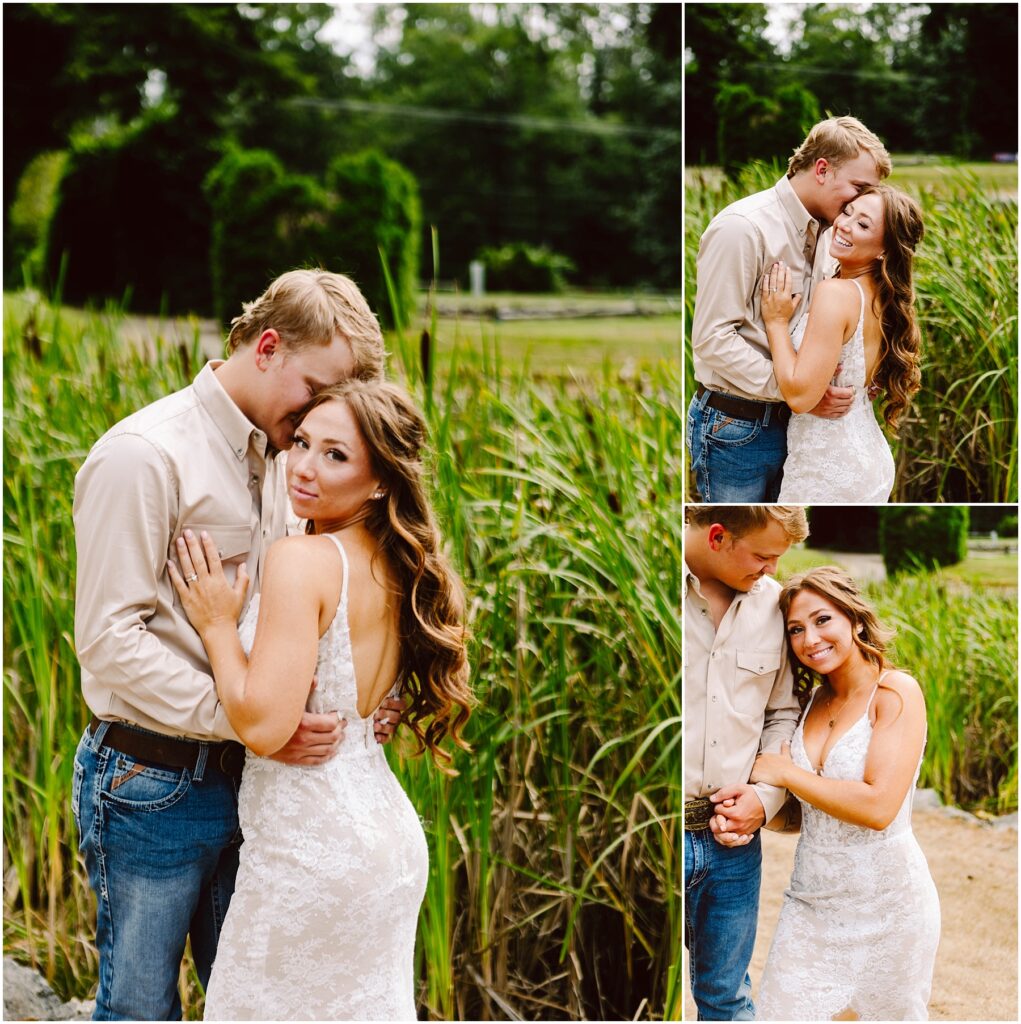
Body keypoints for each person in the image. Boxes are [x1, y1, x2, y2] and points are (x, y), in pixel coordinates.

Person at [71, 269, 405, 1021]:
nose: (322, 414)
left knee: (250, 998)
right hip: (151, 781)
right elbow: (107, 641)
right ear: (266, 347)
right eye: (316, 387)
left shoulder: (292, 456)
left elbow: (314, 614)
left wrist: (362, 700)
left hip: (261, 788)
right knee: (139, 1007)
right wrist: (259, 719)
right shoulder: (144, 457)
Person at [168, 379, 473, 1020]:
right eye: (302, 442)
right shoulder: (402, 565)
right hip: (385, 839)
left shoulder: (301, 559)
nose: (303, 466)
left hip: (311, 849)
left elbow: (262, 724)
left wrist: (217, 624)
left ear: (382, 480)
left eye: (336, 456)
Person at [748, 567, 940, 1020]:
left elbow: (878, 807)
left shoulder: (894, 692)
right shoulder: (810, 701)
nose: (810, 638)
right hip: (810, 904)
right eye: (796, 629)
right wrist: (760, 806)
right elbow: (808, 814)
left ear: (853, 619)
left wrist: (786, 773)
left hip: (889, 905)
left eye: (822, 620)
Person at [688, 116, 891, 501]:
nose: (861, 202)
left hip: (794, 428)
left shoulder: (831, 233)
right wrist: (800, 392)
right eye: (859, 187)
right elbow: (712, 340)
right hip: (736, 427)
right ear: (822, 170)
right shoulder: (742, 228)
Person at [683, 505, 807, 1019]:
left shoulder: (775, 607)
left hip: (733, 846)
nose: (773, 569)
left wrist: (765, 798)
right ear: (717, 536)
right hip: (653, 833)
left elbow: (783, 714)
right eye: (763, 556)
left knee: (728, 998)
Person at [760, 184, 924, 502]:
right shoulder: (884, 298)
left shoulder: (836, 293)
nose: (845, 224)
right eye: (847, 212)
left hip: (829, 465)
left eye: (863, 225)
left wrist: (776, 322)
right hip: (866, 454)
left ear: (884, 251)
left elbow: (799, 395)